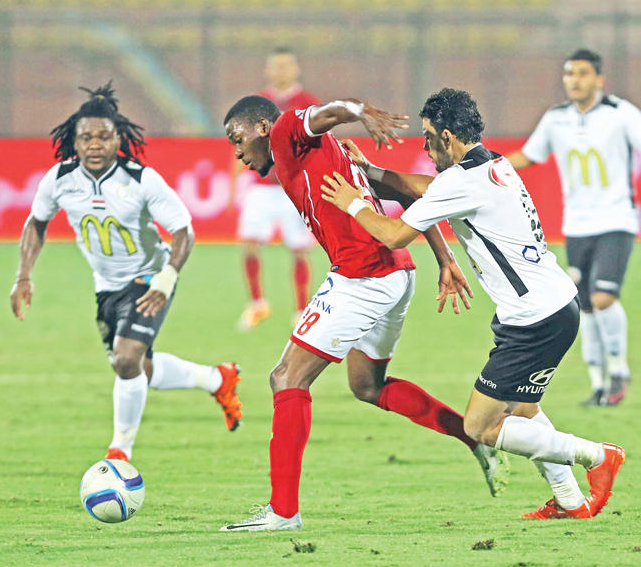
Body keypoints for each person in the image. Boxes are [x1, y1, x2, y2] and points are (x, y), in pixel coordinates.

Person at [320, 88, 625, 519]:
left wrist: (352, 202)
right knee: (523, 409)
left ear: (446, 136)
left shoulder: (462, 181)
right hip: (553, 306)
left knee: (480, 426)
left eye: (428, 138)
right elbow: (431, 189)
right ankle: (570, 501)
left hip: (536, 319)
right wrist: (372, 171)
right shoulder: (491, 164)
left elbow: (393, 235)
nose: (425, 148)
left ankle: (598, 456)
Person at [220, 94, 508, 532]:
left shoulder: (284, 133)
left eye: (237, 139)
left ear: (261, 127)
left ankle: (283, 513)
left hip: (364, 277)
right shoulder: (329, 152)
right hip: (397, 273)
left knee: (286, 378)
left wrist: (359, 113)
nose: (238, 153)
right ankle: (471, 436)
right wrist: (444, 256)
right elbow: (401, 194)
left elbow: (330, 111)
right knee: (367, 385)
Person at [10, 83, 242, 461]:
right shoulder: (59, 179)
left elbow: (183, 230)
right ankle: (217, 378)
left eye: (104, 137)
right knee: (138, 368)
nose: (95, 144)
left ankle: (120, 453)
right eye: (87, 137)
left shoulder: (140, 180)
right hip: (106, 287)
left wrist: (167, 277)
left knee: (126, 359)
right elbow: (36, 222)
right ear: (74, 141)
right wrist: (23, 275)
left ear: (118, 139)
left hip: (149, 278)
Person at [506, 49, 641, 406]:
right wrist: (487, 167)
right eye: (569, 73)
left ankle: (619, 369)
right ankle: (598, 383)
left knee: (603, 297)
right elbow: (529, 156)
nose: (574, 80)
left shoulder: (621, 114)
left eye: (582, 73)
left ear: (599, 79)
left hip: (616, 219)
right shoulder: (556, 119)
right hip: (576, 225)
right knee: (585, 306)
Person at [233, 48, 320, 330]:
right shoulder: (255, 103)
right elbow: (241, 141)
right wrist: (235, 180)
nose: (281, 71)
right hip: (261, 185)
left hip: (293, 186)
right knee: (248, 243)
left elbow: (320, 146)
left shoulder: (308, 103)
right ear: (267, 70)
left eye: (286, 66)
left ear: (296, 69)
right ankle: (257, 303)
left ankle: (301, 310)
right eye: (276, 66)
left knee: (299, 248)